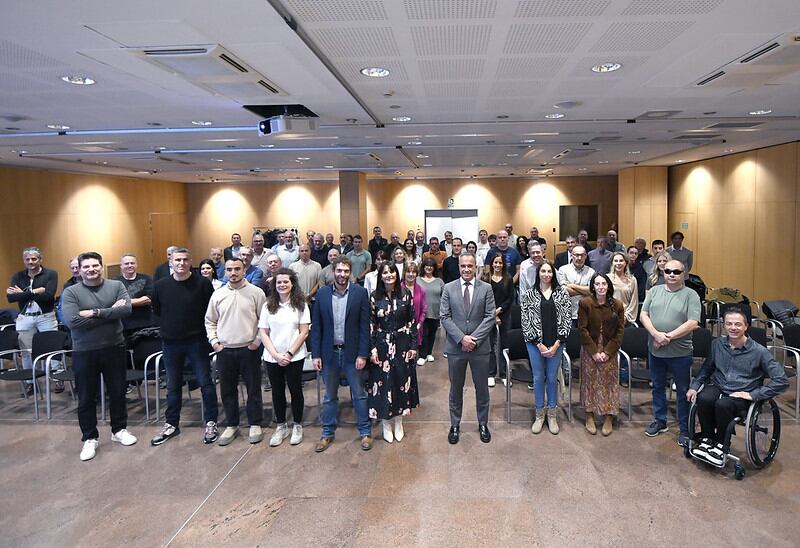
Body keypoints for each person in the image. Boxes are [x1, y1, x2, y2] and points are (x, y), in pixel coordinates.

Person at [686, 307, 789, 465]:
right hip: (720, 386)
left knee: (723, 404)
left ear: (746, 326)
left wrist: (754, 395)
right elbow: (707, 368)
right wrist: (695, 386)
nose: (733, 328)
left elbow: (782, 380)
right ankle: (707, 439)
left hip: (743, 392)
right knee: (704, 397)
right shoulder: (717, 344)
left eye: (738, 324)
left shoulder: (759, 352)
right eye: (729, 324)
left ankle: (721, 444)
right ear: (724, 325)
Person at [61, 251, 136, 461]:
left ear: (101, 267)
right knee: (86, 397)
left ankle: (119, 430)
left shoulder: (116, 286)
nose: (91, 270)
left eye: (95, 266)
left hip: (114, 347)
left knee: (118, 391)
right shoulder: (71, 292)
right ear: (79, 270)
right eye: (86, 267)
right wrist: (109, 311)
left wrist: (93, 312)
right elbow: (73, 322)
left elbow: (126, 310)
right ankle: (89, 438)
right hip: (84, 351)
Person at [150, 247, 219, 446]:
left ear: (191, 262)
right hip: (170, 343)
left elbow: (211, 311)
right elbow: (157, 311)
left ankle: (211, 421)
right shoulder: (160, 285)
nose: (181, 263)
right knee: (172, 385)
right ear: (170, 261)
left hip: (196, 342)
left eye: (185, 260)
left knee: (205, 383)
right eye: (177, 259)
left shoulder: (202, 284)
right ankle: (171, 423)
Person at [310, 256, 373, 452]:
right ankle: (327, 433)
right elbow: (317, 328)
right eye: (339, 270)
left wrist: (363, 354)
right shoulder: (321, 295)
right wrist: (315, 354)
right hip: (329, 354)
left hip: (352, 354)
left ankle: (365, 432)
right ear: (333, 271)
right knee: (330, 396)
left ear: (350, 273)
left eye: (346, 271)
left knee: (360, 395)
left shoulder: (360, 293)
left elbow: (364, 327)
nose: (342, 275)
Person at [205, 257, 267, 446]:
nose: (233, 273)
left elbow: (264, 321)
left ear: (244, 271)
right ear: (225, 272)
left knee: (253, 388)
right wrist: (215, 343)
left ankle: (255, 423)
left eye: (237, 269)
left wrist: (256, 342)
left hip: (249, 349)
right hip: (225, 350)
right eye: (230, 269)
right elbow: (210, 321)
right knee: (227, 390)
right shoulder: (218, 294)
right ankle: (232, 424)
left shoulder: (256, 293)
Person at [640, 259, 702, 446]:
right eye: (668, 271)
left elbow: (693, 323)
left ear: (684, 274)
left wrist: (667, 337)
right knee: (657, 387)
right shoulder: (654, 291)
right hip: (655, 351)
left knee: (683, 391)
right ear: (663, 273)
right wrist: (655, 334)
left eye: (676, 271)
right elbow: (644, 314)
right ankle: (660, 421)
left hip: (680, 353)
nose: (672, 275)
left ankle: (684, 428)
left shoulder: (691, 295)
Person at [440, 253, 496, 444]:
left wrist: (474, 339)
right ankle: (455, 425)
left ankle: (482, 424)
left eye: (469, 266)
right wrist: (462, 339)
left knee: (482, 389)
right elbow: (445, 317)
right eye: (463, 266)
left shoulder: (486, 288)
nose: (466, 269)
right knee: (456, 389)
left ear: (475, 267)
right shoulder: (448, 288)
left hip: (480, 349)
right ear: (459, 266)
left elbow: (490, 317)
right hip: (456, 349)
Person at [368, 262, 419, 443]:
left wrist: (413, 346)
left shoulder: (405, 295)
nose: (389, 275)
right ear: (380, 276)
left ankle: (399, 421)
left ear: (397, 275)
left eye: (392, 272)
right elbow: (371, 325)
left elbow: (412, 321)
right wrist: (372, 348)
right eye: (385, 273)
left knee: (401, 382)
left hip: (402, 345)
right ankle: (385, 423)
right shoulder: (374, 297)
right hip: (382, 346)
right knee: (383, 384)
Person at [259, 268, 310, 447]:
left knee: (296, 390)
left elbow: (304, 332)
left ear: (292, 283)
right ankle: (281, 426)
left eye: (285, 282)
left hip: (294, 357)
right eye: (279, 282)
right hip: (272, 357)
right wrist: (275, 355)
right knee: (277, 391)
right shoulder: (267, 306)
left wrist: (288, 354)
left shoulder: (301, 304)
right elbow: (263, 333)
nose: (282, 284)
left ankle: (297, 425)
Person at [521, 261, 572, 435]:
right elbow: (525, 322)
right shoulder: (529, 294)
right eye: (543, 271)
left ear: (553, 274)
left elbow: (566, 320)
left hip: (556, 344)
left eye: (549, 271)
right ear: (538, 274)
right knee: (538, 377)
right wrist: (539, 344)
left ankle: (552, 414)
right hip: (535, 344)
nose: (546, 274)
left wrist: (557, 344)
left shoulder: (562, 294)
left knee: (551, 378)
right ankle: (539, 414)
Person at [7, 246, 59, 395]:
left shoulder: (51, 274)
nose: (30, 262)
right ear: (24, 261)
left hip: (45, 316)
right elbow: (11, 298)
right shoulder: (18, 276)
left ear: (40, 260)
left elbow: (48, 295)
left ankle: (57, 377)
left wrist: (22, 293)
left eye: (34, 259)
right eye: (27, 259)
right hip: (25, 318)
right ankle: (30, 383)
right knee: (25, 351)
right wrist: (36, 290)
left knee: (52, 347)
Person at [578, 273, 625, 436]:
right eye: (597, 284)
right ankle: (589, 415)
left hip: (609, 349)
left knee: (609, 383)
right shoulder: (585, 303)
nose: (600, 287)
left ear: (608, 286)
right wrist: (593, 351)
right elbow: (582, 329)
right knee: (590, 381)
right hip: (590, 348)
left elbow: (620, 332)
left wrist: (607, 351)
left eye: (603, 284)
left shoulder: (617, 305)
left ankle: (608, 417)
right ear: (593, 286)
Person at [483, 253, 514, 386]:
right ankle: (490, 373)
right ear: (491, 264)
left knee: (504, 345)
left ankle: (503, 374)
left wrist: (499, 311)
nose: (497, 265)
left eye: (500, 263)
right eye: (495, 262)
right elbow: (483, 298)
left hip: (505, 315)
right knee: (490, 345)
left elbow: (510, 298)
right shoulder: (486, 278)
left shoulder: (508, 278)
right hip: (488, 316)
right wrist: (492, 314)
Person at [557, 245, 595, 326]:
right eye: (576, 255)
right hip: (567, 313)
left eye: (582, 255)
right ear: (571, 255)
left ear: (586, 256)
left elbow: (592, 291)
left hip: (586, 313)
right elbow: (564, 291)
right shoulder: (563, 270)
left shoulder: (591, 272)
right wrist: (584, 291)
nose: (579, 258)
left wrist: (572, 285)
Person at [417, 258, 444, 365]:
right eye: (427, 265)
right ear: (423, 267)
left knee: (432, 334)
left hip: (435, 311)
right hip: (421, 312)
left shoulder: (439, 281)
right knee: (423, 334)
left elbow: (444, 296)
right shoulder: (418, 279)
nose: (429, 267)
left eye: (431, 266)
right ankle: (422, 355)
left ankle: (429, 353)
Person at [402, 261, 427, 366]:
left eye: (413, 272)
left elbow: (424, 309)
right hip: (400, 328)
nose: (411, 274)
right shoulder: (398, 288)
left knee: (412, 357)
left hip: (415, 327)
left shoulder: (421, 290)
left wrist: (419, 324)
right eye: (408, 271)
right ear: (404, 273)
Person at [608, 252, 639, 325]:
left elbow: (634, 302)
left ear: (626, 263)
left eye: (621, 261)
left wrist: (625, 318)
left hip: (626, 320)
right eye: (616, 261)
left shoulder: (632, 280)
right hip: (608, 318)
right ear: (612, 263)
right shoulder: (606, 279)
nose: (618, 263)